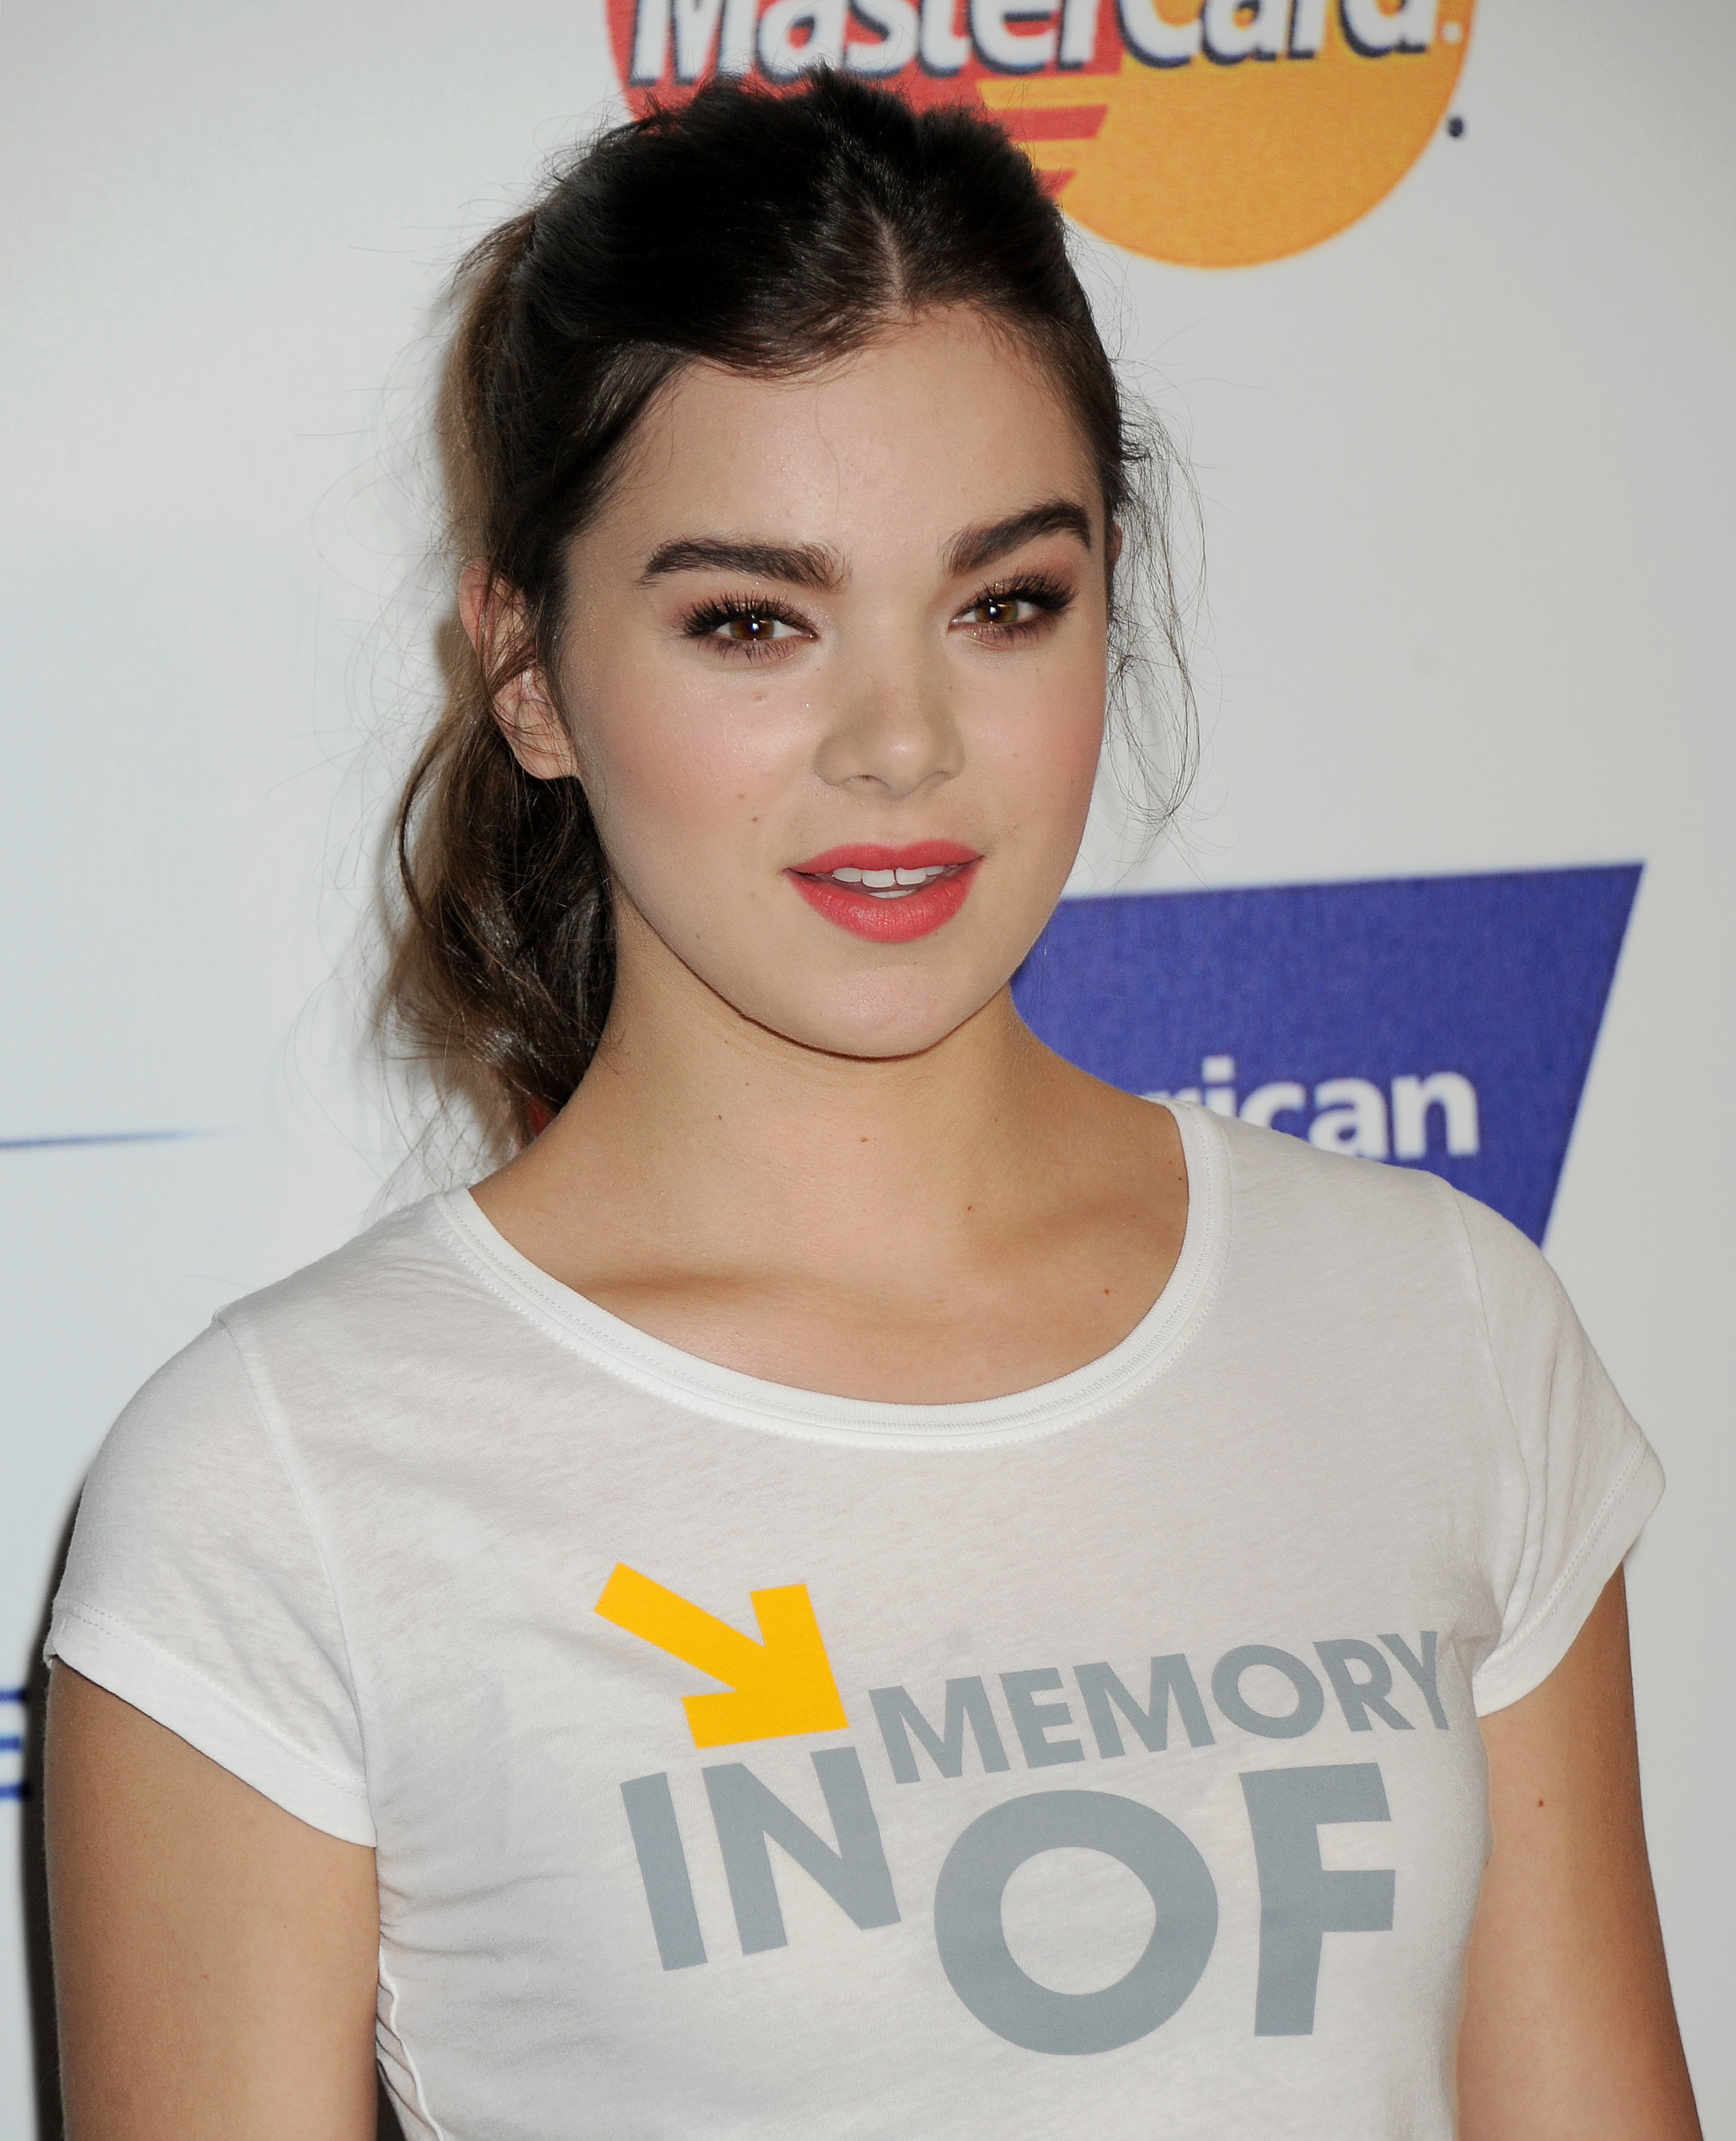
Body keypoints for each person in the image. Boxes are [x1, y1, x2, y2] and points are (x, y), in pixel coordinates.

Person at [44, 72, 1699, 2141]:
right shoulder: (284, 1485)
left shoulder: (1439, 1328)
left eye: (1005, 602)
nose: (902, 742)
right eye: (753, 621)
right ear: (527, 670)